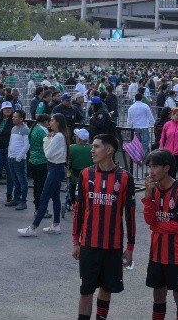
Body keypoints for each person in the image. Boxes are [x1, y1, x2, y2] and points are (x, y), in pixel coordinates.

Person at [71, 133, 136, 320]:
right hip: (89, 245)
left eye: (96, 146)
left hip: (113, 246)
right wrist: (76, 241)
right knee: (86, 290)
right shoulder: (85, 174)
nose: (92, 150)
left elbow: (129, 215)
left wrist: (130, 247)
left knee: (107, 288)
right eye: (92, 146)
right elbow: (78, 210)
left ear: (109, 150)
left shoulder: (125, 178)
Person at [143, 149, 178, 320]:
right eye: (149, 166)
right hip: (157, 255)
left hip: (177, 257)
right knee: (158, 294)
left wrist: (156, 227)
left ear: (166, 168)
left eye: (155, 166)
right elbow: (150, 220)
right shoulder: (154, 190)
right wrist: (148, 196)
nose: (151, 171)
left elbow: (176, 226)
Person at [18, 113, 69, 236]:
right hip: (56, 168)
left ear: (57, 123)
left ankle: (33, 227)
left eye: (52, 120)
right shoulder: (59, 136)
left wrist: (47, 139)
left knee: (44, 198)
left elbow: (47, 154)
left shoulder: (57, 137)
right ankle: (56, 225)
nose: (50, 122)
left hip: (54, 168)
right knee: (55, 197)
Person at [27, 114, 51, 217]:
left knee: (37, 185)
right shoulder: (43, 131)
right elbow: (49, 145)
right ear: (45, 121)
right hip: (42, 161)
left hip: (32, 160)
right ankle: (41, 209)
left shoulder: (32, 128)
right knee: (42, 187)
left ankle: (37, 208)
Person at [6, 110, 30, 210]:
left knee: (22, 180)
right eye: (13, 116)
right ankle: (16, 198)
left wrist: (19, 157)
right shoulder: (13, 129)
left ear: (21, 119)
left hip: (18, 159)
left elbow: (27, 145)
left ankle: (23, 201)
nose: (13, 118)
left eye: (15, 117)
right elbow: (11, 142)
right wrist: (9, 154)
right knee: (15, 180)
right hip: (11, 157)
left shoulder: (25, 129)